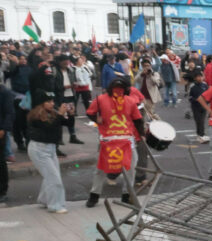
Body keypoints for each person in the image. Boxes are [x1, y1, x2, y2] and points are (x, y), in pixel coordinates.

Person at [84, 77, 145, 208]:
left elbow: (90, 112)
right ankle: (124, 196)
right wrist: (142, 135)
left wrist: (96, 118)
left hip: (115, 140)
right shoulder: (126, 100)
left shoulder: (102, 99)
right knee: (129, 169)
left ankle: (94, 197)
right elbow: (138, 120)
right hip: (119, 140)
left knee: (102, 169)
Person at [26, 96, 71, 213]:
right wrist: (60, 115)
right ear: (41, 103)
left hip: (50, 149)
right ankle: (55, 205)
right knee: (54, 178)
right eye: (48, 101)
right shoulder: (36, 116)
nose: (52, 104)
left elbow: (67, 123)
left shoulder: (53, 113)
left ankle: (44, 200)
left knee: (52, 175)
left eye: (52, 101)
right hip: (39, 149)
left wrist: (70, 114)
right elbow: (49, 128)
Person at [54, 55, 84, 145]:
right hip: (60, 97)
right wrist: (63, 87)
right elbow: (53, 85)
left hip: (70, 95)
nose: (66, 63)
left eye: (67, 61)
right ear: (59, 62)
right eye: (64, 62)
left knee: (71, 116)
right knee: (60, 117)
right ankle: (59, 138)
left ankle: (73, 136)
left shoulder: (71, 70)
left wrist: (74, 85)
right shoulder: (55, 71)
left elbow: (73, 80)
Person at [187, 70, 209, 143]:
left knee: (202, 120)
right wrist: (197, 100)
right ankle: (200, 134)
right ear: (195, 78)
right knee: (198, 120)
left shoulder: (205, 85)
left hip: (204, 106)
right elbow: (189, 97)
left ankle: (201, 134)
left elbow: (209, 94)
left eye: (201, 76)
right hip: (195, 106)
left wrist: (207, 101)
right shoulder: (192, 86)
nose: (200, 78)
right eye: (198, 77)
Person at [0, 85, 12, 204]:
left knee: (0, 162)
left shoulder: (5, 92)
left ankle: (2, 191)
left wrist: (4, 129)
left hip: (0, 132)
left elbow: (9, 112)